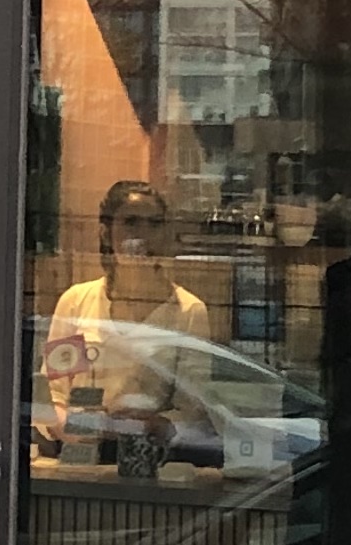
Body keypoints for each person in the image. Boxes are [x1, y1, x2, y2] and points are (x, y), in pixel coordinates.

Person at [36, 178, 218, 456]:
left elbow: (193, 413)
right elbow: (53, 395)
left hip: (149, 460)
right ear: (106, 233)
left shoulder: (188, 311)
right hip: (78, 457)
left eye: (154, 224)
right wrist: (80, 430)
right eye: (131, 222)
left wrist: (148, 425)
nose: (143, 235)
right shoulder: (76, 303)